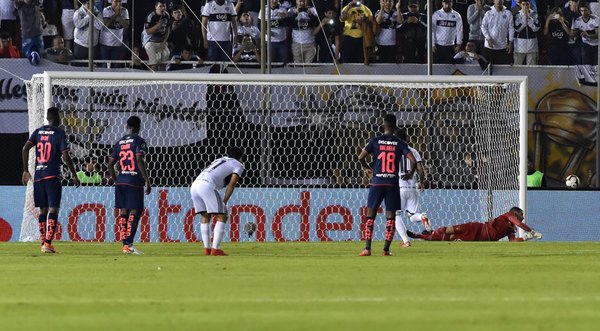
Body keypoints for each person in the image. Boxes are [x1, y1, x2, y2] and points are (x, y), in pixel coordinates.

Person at [21, 107, 80, 253]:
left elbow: (24, 148)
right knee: (54, 208)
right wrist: (74, 174)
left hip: (39, 176)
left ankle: (43, 242)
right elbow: (65, 156)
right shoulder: (59, 133)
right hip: (52, 175)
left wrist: (25, 170)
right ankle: (47, 243)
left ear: (47, 117)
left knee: (43, 210)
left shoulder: (38, 132)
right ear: (58, 118)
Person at [357, 114, 417, 256]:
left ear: (383, 125)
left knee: (370, 215)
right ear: (395, 127)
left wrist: (367, 169)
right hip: (392, 184)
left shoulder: (375, 141)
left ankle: (367, 248)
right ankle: (386, 250)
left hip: (377, 183)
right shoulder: (400, 143)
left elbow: (360, 157)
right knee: (391, 218)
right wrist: (409, 174)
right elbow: (413, 161)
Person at [107, 116, 151, 254]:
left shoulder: (119, 142)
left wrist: (115, 179)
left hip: (121, 180)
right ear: (138, 126)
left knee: (124, 211)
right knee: (135, 211)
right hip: (134, 180)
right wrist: (147, 180)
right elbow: (138, 158)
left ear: (127, 126)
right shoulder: (139, 141)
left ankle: (125, 244)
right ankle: (129, 245)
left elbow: (109, 164)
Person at [190, 147, 245, 256]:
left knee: (205, 216)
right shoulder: (238, 165)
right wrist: (224, 201)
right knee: (222, 216)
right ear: (240, 157)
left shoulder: (219, 159)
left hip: (195, 185)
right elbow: (232, 183)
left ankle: (207, 249)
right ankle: (215, 249)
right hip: (207, 185)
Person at [407, 207, 542, 242]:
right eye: (521, 214)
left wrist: (525, 237)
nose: (523, 217)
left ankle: (419, 236)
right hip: (476, 227)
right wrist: (531, 230)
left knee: (447, 238)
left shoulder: (510, 229)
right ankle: (428, 232)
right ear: (514, 213)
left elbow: (512, 242)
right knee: (446, 230)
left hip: (477, 238)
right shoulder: (508, 215)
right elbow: (519, 223)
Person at [394, 129, 431, 248]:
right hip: (412, 187)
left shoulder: (394, 151)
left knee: (395, 215)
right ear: (407, 139)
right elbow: (420, 168)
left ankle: (406, 241)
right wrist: (421, 182)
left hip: (399, 187)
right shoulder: (413, 151)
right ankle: (422, 217)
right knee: (413, 216)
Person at [481, 0, 514, 64]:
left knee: (502, 69)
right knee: (488, 68)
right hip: (489, 46)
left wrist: (510, 42)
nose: (499, 1)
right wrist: (488, 38)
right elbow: (483, 27)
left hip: (502, 46)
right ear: (494, 1)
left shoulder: (508, 13)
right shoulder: (488, 13)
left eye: (501, 0)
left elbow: (511, 28)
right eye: (497, 0)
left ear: (503, 1)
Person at [142, 0, 171, 71]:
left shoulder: (167, 15)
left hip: (161, 41)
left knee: (164, 60)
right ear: (156, 7)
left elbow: (168, 29)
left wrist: (164, 41)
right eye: (160, 6)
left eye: (164, 6)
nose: (163, 8)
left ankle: (162, 79)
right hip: (150, 41)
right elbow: (148, 32)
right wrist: (158, 25)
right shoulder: (151, 16)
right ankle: (152, 80)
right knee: (154, 63)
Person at [100, 0, 129, 67]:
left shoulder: (124, 11)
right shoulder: (106, 10)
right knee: (104, 66)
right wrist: (116, 14)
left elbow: (126, 26)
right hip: (105, 43)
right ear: (111, 2)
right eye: (116, 1)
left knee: (115, 66)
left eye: (119, 1)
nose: (118, 4)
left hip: (118, 44)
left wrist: (120, 17)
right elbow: (106, 24)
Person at [15, 0, 44, 65]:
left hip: (28, 34)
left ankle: (33, 54)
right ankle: (34, 54)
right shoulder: (21, 4)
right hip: (35, 32)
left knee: (27, 52)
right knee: (36, 52)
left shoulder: (19, 4)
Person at [513, 0, 540, 65]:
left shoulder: (535, 14)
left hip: (532, 45)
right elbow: (517, 29)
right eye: (524, 4)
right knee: (517, 67)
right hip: (519, 46)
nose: (525, 6)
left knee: (531, 69)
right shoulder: (517, 15)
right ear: (521, 5)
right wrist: (524, 18)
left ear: (530, 4)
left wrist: (529, 19)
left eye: (527, 4)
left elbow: (536, 28)